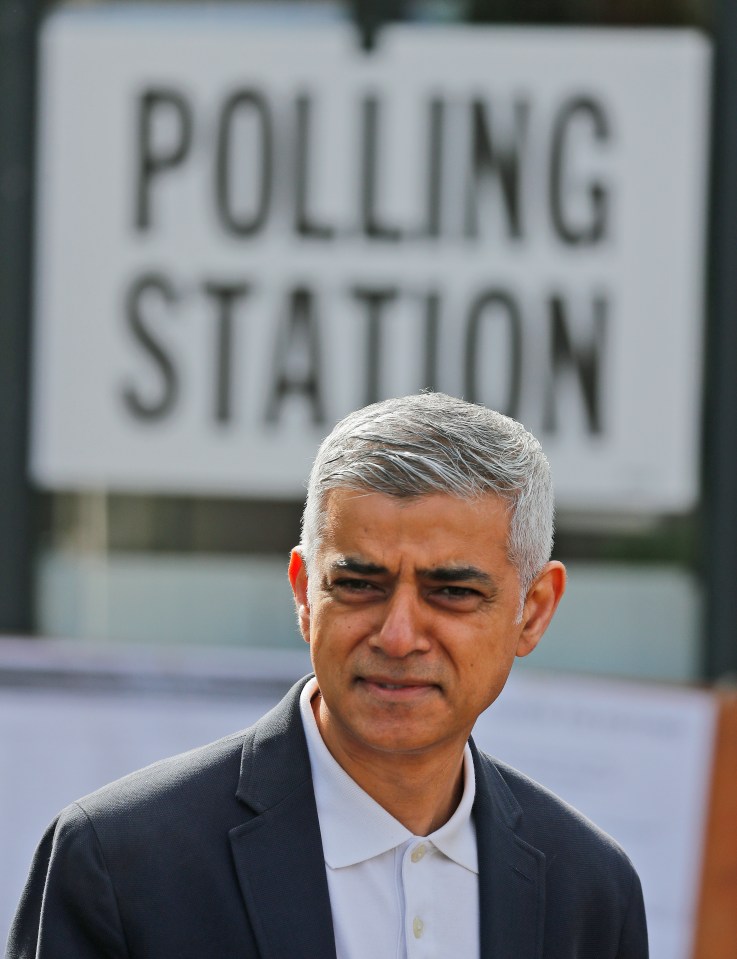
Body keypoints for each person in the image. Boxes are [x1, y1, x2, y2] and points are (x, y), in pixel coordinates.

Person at [7, 392, 648, 959]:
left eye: (450, 590)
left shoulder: (589, 889)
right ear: (305, 596)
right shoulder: (120, 865)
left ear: (532, 612)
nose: (398, 635)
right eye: (359, 584)